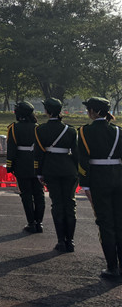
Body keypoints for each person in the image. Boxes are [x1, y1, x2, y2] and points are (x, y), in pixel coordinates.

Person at [77, 97, 122, 279]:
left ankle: (112, 267)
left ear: (94, 112)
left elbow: (83, 160)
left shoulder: (85, 131)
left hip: (98, 180)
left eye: (89, 109)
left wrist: (85, 184)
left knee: (105, 223)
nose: (88, 112)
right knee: (120, 222)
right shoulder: (118, 131)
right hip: (118, 178)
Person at [34, 97, 78, 252]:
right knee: (70, 204)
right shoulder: (71, 130)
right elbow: (76, 154)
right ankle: (70, 241)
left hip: (50, 169)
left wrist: (39, 173)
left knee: (57, 204)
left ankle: (61, 241)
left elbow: (38, 153)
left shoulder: (40, 130)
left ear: (47, 111)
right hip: (69, 169)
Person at [7, 101, 45, 233]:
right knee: (39, 194)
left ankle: (31, 222)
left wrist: (10, 165)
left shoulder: (14, 128)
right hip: (36, 163)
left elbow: (11, 148)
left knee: (26, 195)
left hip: (21, 164)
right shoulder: (38, 128)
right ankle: (39, 222)